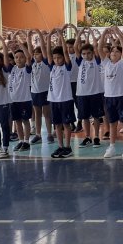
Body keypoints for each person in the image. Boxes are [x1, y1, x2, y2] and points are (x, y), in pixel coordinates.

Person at [102, 27, 123, 158]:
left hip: (122, 97)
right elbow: (99, 48)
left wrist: (118, 34)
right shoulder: (106, 63)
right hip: (109, 97)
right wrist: (104, 33)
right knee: (112, 123)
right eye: (112, 51)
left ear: (121, 55)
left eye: (117, 51)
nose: (114, 52)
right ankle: (112, 147)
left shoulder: (122, 64)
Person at [44, 29, 76, 158]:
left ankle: (68, 147)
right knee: (57, 125)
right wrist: (49, 37)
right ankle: (61, 146)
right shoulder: (52, 67)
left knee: (66, 124)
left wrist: (61, 36)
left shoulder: (66, 67)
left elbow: (65, 51)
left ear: (63, 57)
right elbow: (48, 52)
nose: (56, 60)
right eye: (55, 58)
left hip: (65, 100)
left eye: (59, 57)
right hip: (53, 100)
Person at [74, 31, 104, 149]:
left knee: (96, 116)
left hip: (95, 93)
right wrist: (79, 33)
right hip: (81, 94)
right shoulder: (80, 61)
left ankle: (96, 137)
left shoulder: (96, 61)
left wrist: (91, 33)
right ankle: (87, 137)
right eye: (84, 54)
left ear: (93, 53)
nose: (86, 56)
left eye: (88, 53)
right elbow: (76, 47)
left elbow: (96, 46)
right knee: (84, 117)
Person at [8, 40, 33, 153]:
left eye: (21, 57)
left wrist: (21, 45)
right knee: (17, 121)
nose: (19, 59)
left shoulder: (27, 69)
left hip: (24, 100)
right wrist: (11, 48)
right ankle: (20, 140)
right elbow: (9, 57)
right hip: (13, 100)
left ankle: (26, 141)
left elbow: (28, 56)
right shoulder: (13, 69)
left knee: (25, 121)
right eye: (16, 57)